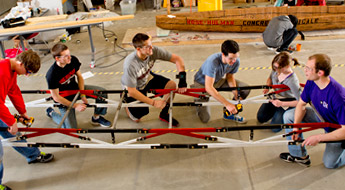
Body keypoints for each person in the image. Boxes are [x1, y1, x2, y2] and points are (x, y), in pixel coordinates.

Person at [0, 50, 54, 190]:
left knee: (13, 133)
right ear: (20, 63)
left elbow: (13, 91)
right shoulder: (2, 72)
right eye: (27, 71)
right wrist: (11, 122)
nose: (26, 75)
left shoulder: (11, 69)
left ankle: (33, 155)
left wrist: (22, 112)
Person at [280, 54, 345, 168]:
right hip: (321, 117)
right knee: (289, 116)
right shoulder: (312, 81)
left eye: (309, 68)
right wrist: (295, 127)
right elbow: (301, 104)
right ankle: (299, 156)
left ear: (320, 73)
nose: (305, 70)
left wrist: (318, 137)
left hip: (337, 128)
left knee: (330, 164)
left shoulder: (338, 97)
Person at [121, 33, 187, 127]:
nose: (151, 47)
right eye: (148, 46)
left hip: (146, 77)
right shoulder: (130, 64)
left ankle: (164, 114)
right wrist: (154, 103)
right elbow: (132, 91)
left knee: (171, 86)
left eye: (151, 44)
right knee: (137, 118)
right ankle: (126, 103)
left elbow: (177, 59)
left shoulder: (153, 50)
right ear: (138, 49)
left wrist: (182, 79)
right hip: (134, 87)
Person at [45, 44, 111, 128]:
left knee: (102, 93)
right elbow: (56, 97)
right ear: (57, 58)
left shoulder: (73, 60)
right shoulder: (51, 75)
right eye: (66, 56)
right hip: (64, 99)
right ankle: (51, 113)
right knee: (71, 128)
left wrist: (82, 94)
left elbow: (80, 77)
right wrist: (75, 105)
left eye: (69, 54)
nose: (69, 57)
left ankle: (96, 117)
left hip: (76, 90)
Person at [191, 40, 250, 123]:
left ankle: (229, 114)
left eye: (236, 57)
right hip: (202, 83)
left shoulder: (235, 61)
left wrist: (236, 93)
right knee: (205, 118)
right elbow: (209, 87)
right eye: (231, 59)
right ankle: (196, 94)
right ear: (223, 54)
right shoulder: (212, 62)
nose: (234, 61)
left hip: (217, 80)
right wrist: (227, 104)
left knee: (245, 89)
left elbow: (229, 76)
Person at [257, 52, 301, 132]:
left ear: (287, 66)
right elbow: (270, 78)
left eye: (278, 68)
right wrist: (268, 86)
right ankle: (276, 111)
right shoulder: (276, 70)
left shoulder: (292, 81)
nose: (276, 70)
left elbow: (300, 102)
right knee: (260, 118)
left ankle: (285, 112)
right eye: (274, 67)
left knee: (275, 128)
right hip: (275, 97)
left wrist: (282, 104)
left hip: (287, 101)